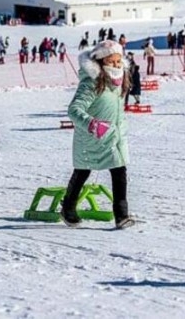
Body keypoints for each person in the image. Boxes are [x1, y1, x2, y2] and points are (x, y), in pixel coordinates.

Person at [61, 40, 135, 229]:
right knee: (82, 171)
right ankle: (68, 208)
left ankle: (121, 215)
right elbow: (74, 109)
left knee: (119, 171)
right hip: (90, 138)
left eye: (119, 61)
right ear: (101, 62)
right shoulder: (92, 82)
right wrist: (92, 125)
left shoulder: (120, 80)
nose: (117, 66)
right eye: (112, 62)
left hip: (114, 137)